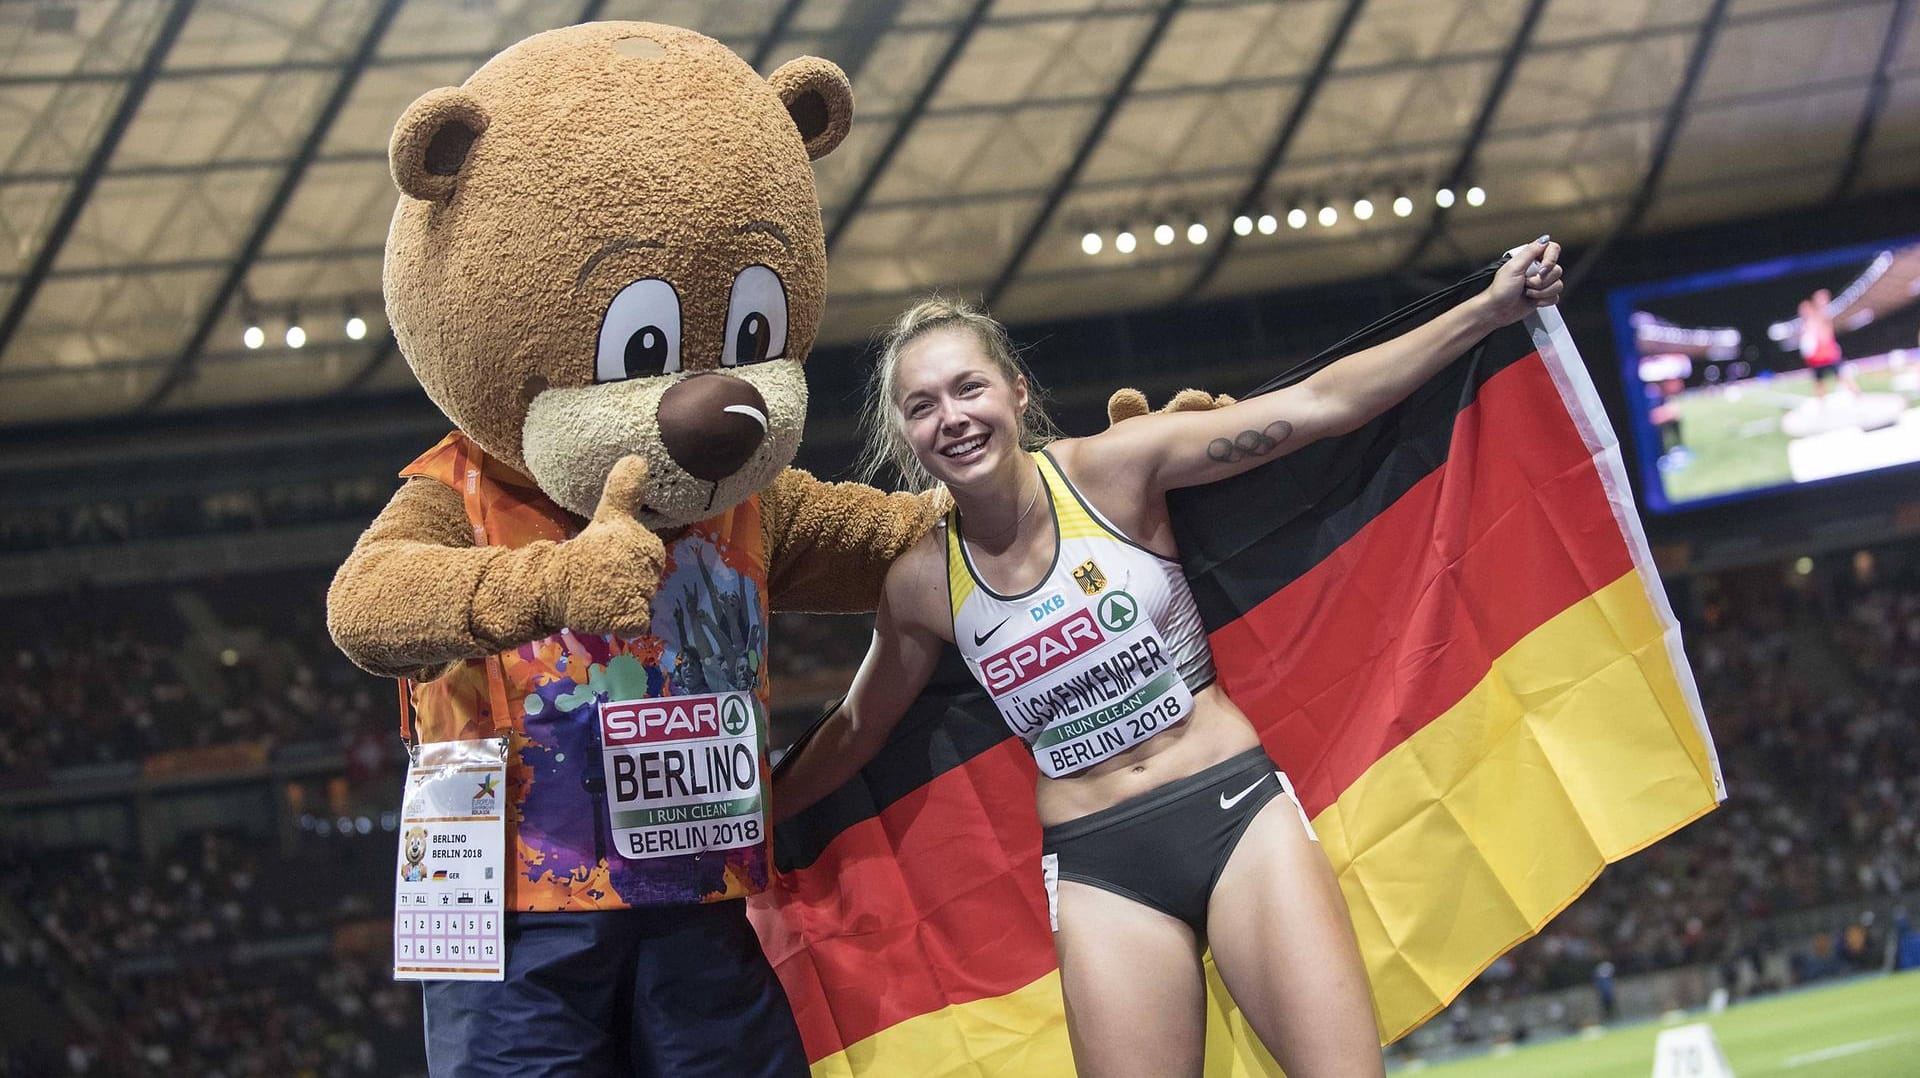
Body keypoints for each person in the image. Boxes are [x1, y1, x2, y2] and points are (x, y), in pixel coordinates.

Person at [775, 239, 1564, 1077]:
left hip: (1235, 817)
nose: (953, 418)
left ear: (1016, 390)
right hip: (1100, 869)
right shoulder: (922, 584)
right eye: (923, 405)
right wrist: (750, 817)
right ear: (903, 430)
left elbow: (1322, 405)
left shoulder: (1115, 471)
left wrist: (1490, 307)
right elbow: (859, 727)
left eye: (969, 388)